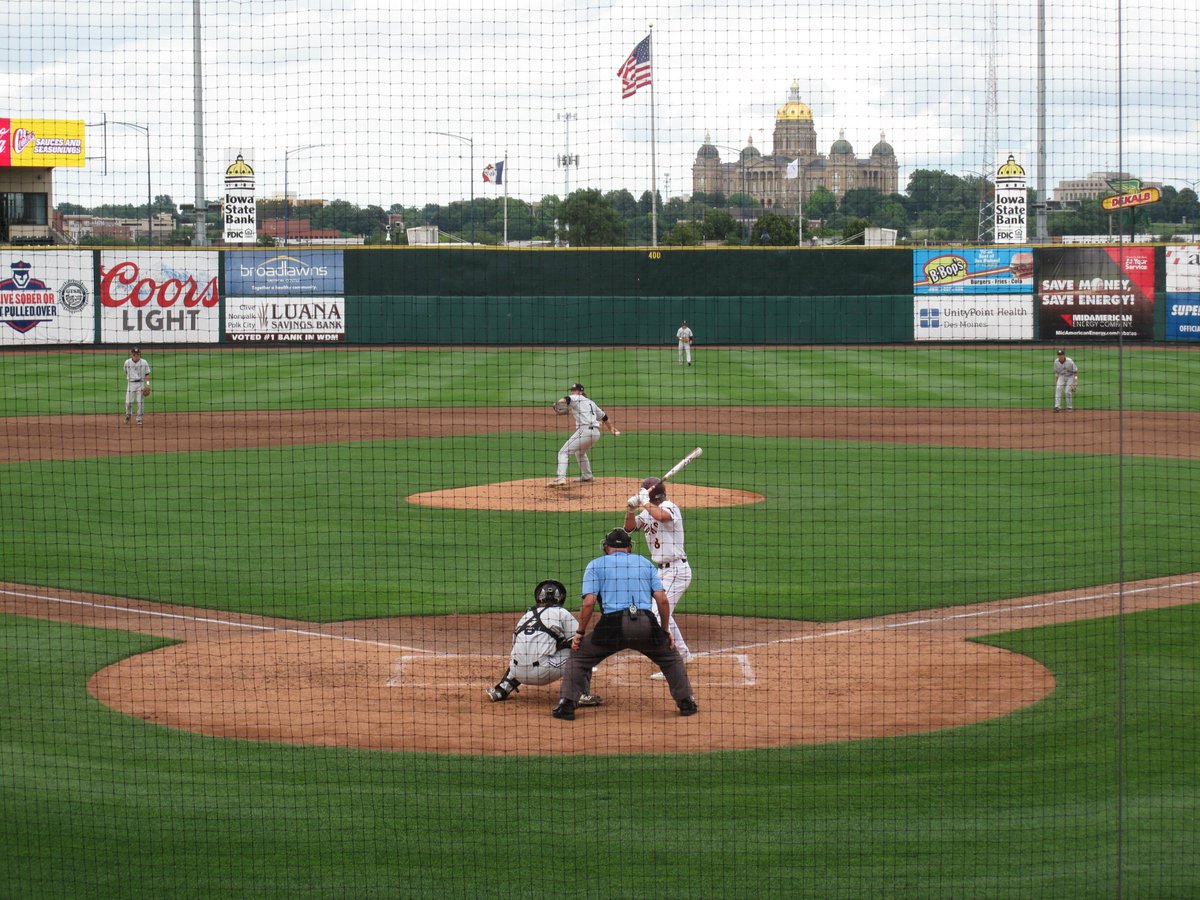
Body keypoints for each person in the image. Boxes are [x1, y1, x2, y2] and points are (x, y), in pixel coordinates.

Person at [551, 527, 697, 720]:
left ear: (605, 547)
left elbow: (588, 603)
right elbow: (662, 600)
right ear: (630, 548)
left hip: (612, 627)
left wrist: (579, 633)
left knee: (579, 658)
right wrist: (663, 631)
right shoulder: (644, 563)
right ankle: (686, 703)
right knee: (670, 658)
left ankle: (567, 706)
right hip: (645, 623)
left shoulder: (595, 565)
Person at [484, 579, 602, 707]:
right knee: (584, 654)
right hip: (543, 673)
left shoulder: (526, 615)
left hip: (517, 671)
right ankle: (580, 695)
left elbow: (515, 646)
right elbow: (579, 642)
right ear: (560, 597)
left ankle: (502, 689)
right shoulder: (562, 613)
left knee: (524, 653)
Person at [625, 477, 693, 679]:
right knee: (661, 612)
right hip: (661, 572)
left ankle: (674, 661)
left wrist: (645, 502)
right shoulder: (646, 512)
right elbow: (629, 529)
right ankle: (682, 654)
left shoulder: (669, 506)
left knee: (656, 614)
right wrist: (630, 509)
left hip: (676, 570)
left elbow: (663, 517)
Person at [548, 382, 620, 487]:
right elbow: (604, 417)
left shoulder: (577, 397)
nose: (573, 392)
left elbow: (566, 399)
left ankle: (560, 478)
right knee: (579, 452)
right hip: (595, 433)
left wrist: (558, 402)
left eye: (575, 390)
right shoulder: (591, 403)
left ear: (581, 391)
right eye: (572, 390)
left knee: (563, 452)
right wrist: (611, 428)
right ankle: (587, 476)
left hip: (585, 431)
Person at [123, 347, 151, 425]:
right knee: (128, 402)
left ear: (139, 354)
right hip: (131, 384)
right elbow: (126, 372)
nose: (136, 355)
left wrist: (148, 385)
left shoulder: (144, 362)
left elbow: (147, 374)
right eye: (134, 354)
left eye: (137, 354)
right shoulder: (127, 362)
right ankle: (128, 415)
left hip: (140, 384)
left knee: (140, 402)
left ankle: (139, 418)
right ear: (132, 354)